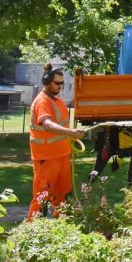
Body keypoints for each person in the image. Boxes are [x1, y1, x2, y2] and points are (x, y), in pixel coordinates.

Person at [27, 63, 85, 221]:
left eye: (62, 83)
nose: (60, 86)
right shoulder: (42, 102)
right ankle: (30, 231)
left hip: (61, 155)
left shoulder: (57, 101)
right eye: (57, 83)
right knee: (42, 196)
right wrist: (70, 133)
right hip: (46, 158)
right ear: (47, 82)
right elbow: (47, 124)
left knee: (62, 193)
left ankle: (62, 225)